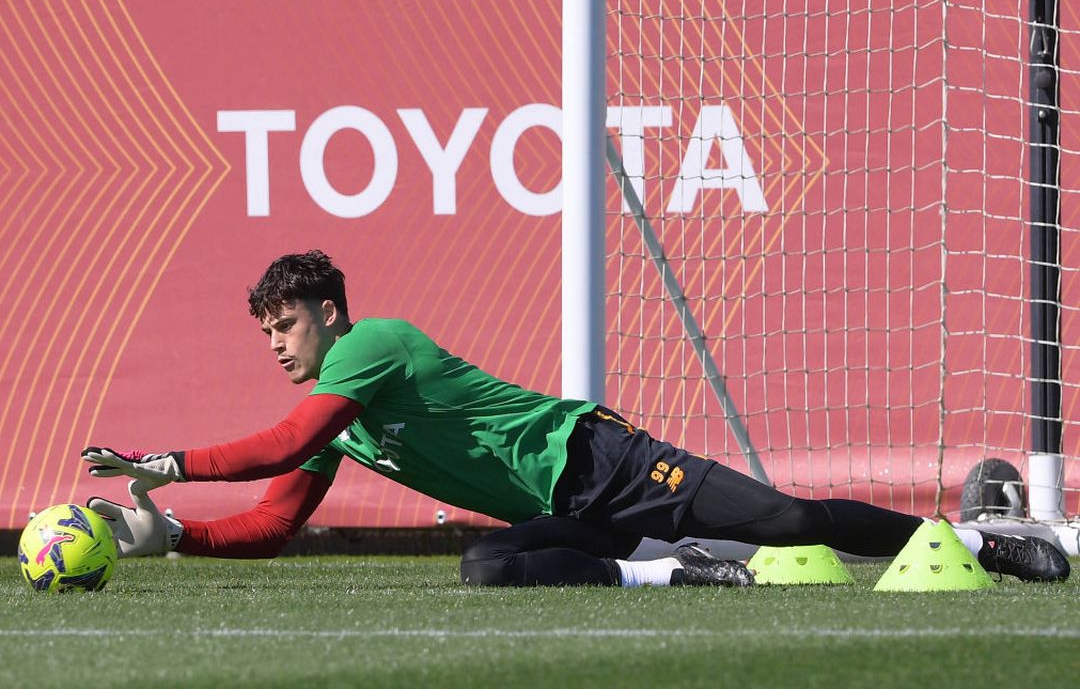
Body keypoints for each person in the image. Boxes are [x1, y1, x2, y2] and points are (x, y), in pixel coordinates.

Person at [82, 251, 1070, 587]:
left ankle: (987, 536)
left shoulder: (370, 343)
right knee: (488, 567)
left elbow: (282, 445)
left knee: (793, 522)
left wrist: (162, 463)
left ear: (330, 312)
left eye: (284, 324)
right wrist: (180, 536)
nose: (278, 345)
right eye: (266, 333)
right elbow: (276, 521)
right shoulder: (334, 412)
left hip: (599, 458)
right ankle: (675, 574)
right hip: (577, 512)